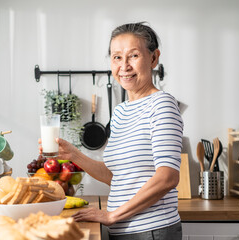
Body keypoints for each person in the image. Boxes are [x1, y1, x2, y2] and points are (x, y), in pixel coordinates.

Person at [40, 22, 183, 240]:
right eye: (117, 57)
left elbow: (167, 178)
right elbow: (117, 177)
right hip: (124, 231)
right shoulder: (120, 112)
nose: (124, 66)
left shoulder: (162, 104)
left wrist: (113, 215)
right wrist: (74, 155)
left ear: (154, 58)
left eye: (133, 56)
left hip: (151, 231)